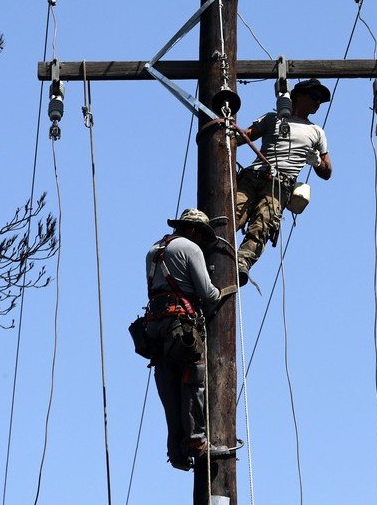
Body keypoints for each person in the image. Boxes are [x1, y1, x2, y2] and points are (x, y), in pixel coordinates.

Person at [140, 208, 233, 471]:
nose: (201, 242)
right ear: (193, 230)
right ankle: (195, 442)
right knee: (193, 381)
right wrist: (223, 288)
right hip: (181, 327)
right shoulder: (189, 248)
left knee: (169, 389)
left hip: (155, 329)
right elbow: (208, 293)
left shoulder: (153, 250)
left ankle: (176, 450)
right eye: (201, 236)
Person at [234, 78, 333, 281]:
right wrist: (221, 130)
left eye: (320, 101)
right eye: (314, 97)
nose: (317, 103)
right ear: (297, 95)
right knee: (232, 213)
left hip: (280, 185)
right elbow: (242, 138)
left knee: (262, 224)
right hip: (253, 176)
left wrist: (316, 162)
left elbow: (327, 172)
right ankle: (209, 252)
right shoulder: (272, 119)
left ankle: (241, 262)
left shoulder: (316, 132)